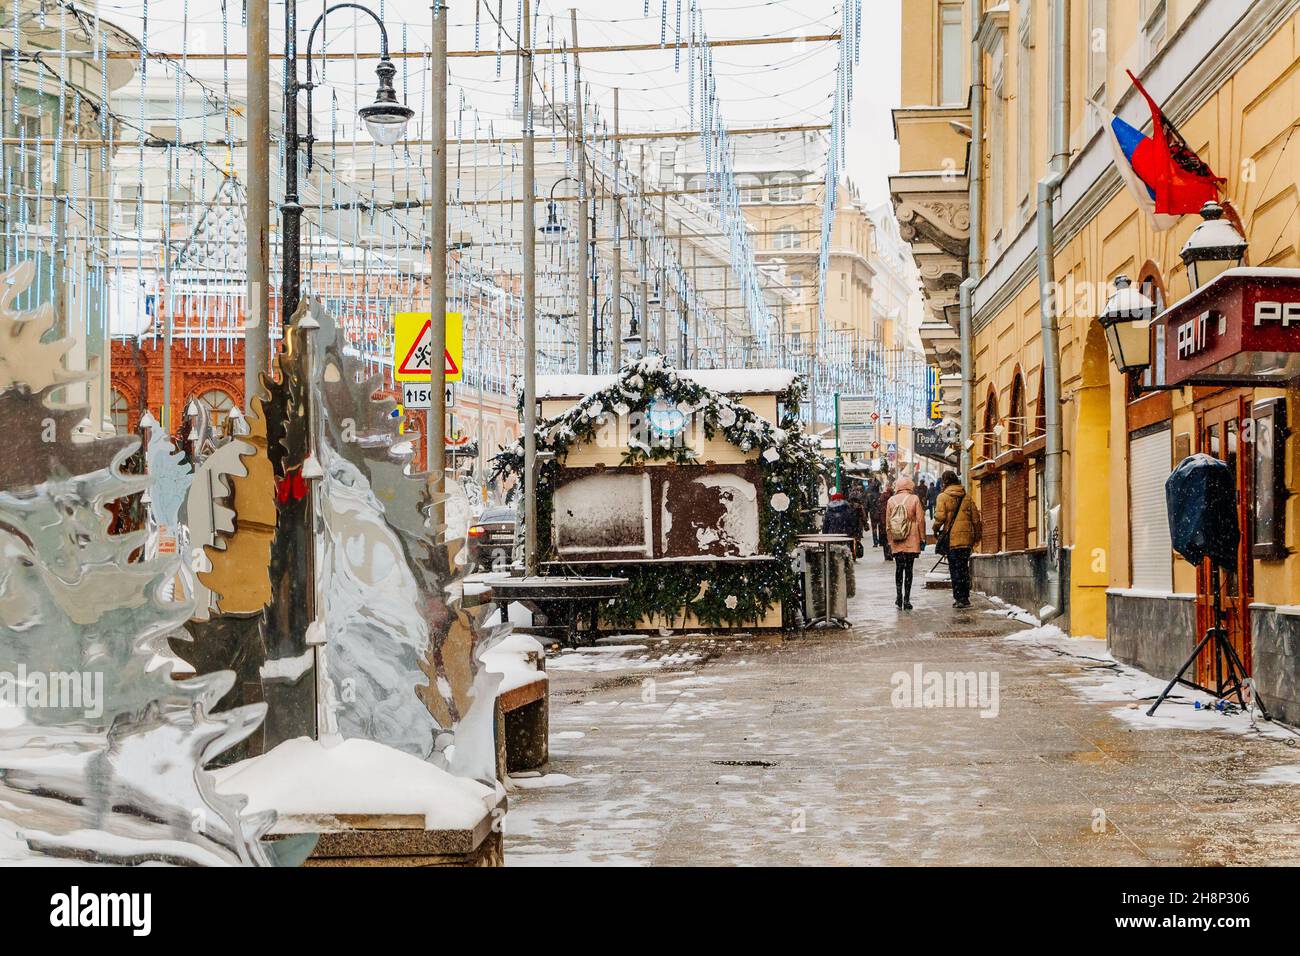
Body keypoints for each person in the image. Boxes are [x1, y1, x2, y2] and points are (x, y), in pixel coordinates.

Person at [933, 470, 981, 609]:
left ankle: (959, 597)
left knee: (954, 569)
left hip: (952, 539)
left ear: (944, 482)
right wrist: (976, 536)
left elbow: (940, 517)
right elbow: (976, 519)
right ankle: (965, 597)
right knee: (964, 568)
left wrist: (936, 529)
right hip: (966, 540)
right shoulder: (966, 497)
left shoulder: (942, 497)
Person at [885, 475, 926, 609]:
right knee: (909, 569)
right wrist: (922, 538)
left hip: (897, 539)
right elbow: (920, 520)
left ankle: (898, 597)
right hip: (911, 538)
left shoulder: (891, 500)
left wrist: (890, 541)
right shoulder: (914, 499)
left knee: (898, 569)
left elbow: (888, 524)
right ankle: (907, 599)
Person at [845, 480, 870, 556]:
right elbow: (863, 516)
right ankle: (855, 551)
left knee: (850, 539)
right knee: (857, 538)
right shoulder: (859, 506)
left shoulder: (847, 506)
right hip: (858, 525)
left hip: (850, 526)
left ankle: (851, 551)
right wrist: (866, 525)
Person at [874, 480, 894, 561]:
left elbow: (877, 514)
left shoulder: (880, 501)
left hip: (882, 525)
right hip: (891, 524)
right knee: (891, 540)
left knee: (885, 540)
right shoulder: (893, 501)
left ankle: (886, 555)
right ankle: (891, 554)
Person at [864, 477, 882, 548]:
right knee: (880, 528)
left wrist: (866, 516)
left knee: (874, 528)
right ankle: (881, 541)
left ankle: (875, 542)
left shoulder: (869, 496)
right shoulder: (880, 495)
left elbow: (866, 507)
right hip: (879, 513)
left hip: (873, 513)